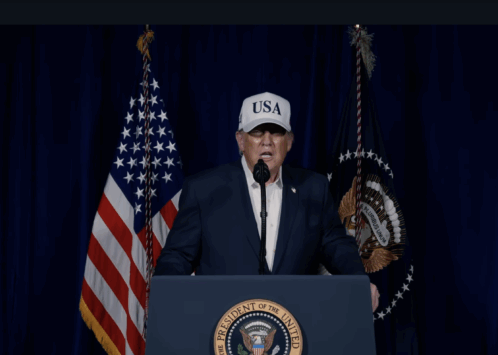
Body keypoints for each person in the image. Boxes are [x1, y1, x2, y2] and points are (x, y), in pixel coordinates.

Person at [154, 92, 379, 311]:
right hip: (221, 324)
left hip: (296, 324)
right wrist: (164, 292)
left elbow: (337, 245)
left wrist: (359, 282)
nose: (267, 142)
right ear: (240, 140)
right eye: (257, 132)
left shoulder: (313, 188)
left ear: (289, 142)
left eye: (277, 132)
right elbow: (179, 255)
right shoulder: (204, 190)